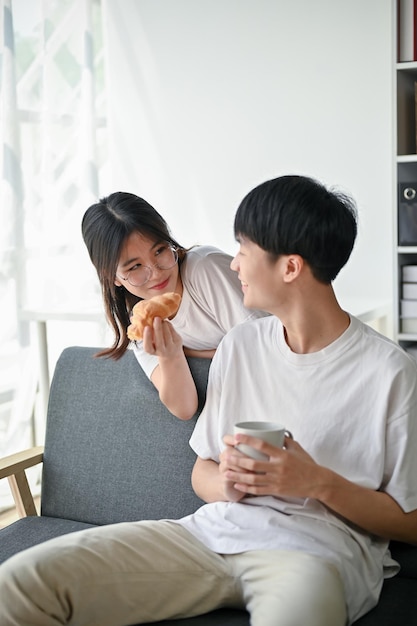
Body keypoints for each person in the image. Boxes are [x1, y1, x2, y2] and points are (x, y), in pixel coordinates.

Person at [1, 174, 417, 626]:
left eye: (242, 250)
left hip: (315, 553)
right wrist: (231, 485)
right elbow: (203, 468)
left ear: (290, 267)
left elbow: (410, 522)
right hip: (209, 533)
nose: (233, 264)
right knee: (19, 585)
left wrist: (314, 482)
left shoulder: (390, 372)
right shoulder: (240, 348)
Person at [81, 191, 268, 420]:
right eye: (135, 267)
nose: (156, 272)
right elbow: (184, 408)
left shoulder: (203, 268)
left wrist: (191, 351)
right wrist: (170, 356)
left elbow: (267, 347)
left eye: (159, 251)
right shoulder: (141, 326)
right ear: (112, 277)